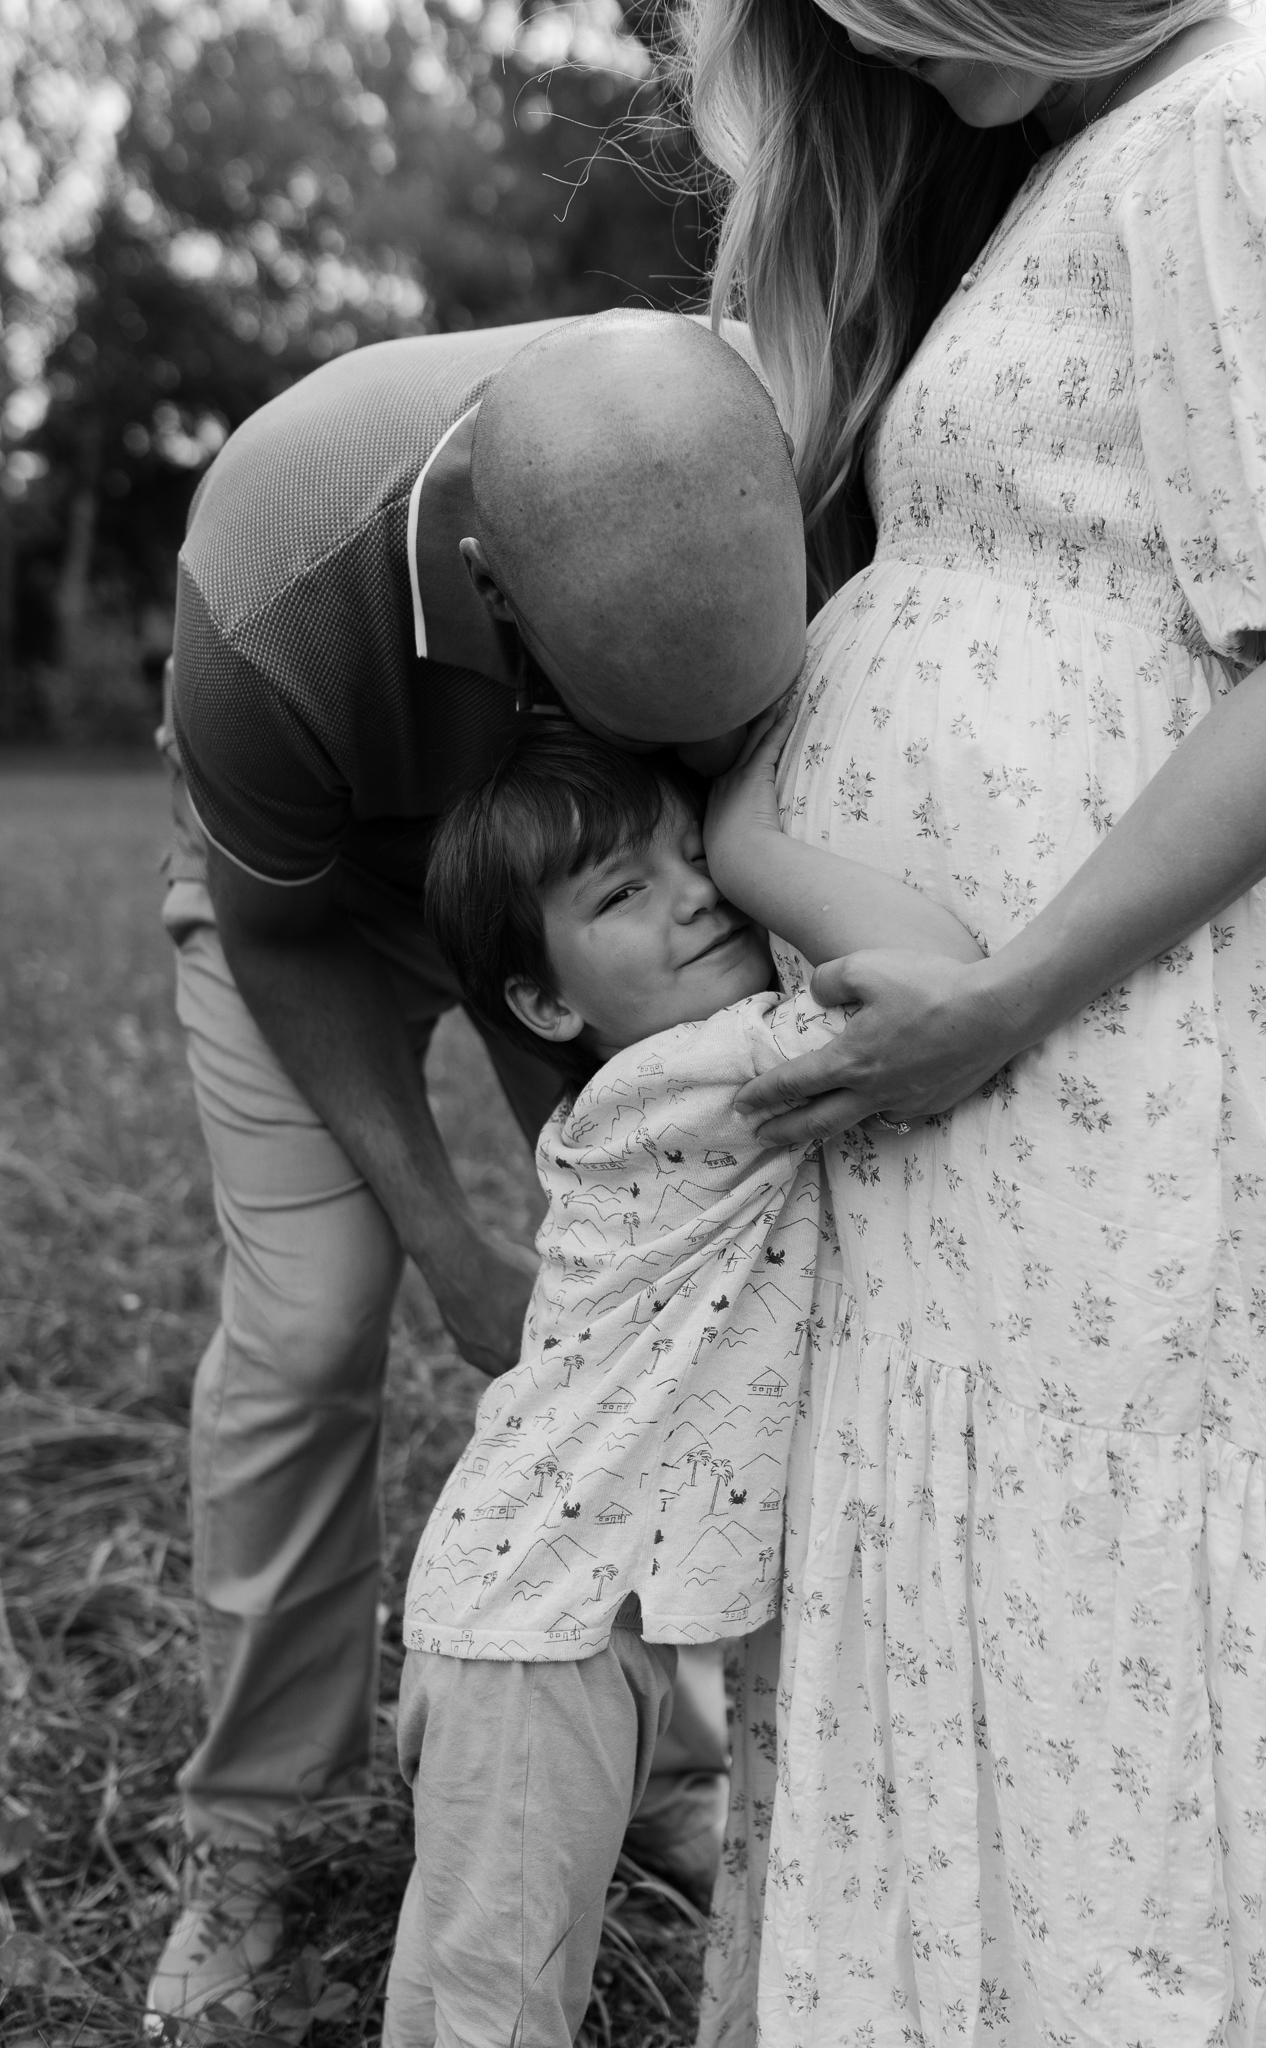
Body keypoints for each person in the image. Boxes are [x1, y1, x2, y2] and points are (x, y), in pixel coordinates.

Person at [684, 3, 1266, 2042]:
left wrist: (1004, 990)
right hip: (984, 1089)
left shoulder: (1256, 110)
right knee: (969, 1615)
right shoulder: (1068, 154)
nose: (867, 52)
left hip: (1106, 1060)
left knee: (1098, 1623)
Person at [146, 310, 810, 2027]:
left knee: (650, 1325)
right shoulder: (271, 588)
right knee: (308, 1327)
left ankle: (651, 1753)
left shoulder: (738, 434)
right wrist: (447, 1236)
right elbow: (276, 933)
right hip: (321, 903)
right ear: (494, 595)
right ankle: (250, 1842)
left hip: (599, 898)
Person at [381, 714, 980, 2048]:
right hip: (539, 1631)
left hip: (574, 1609)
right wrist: (758, 828)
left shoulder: (665, 1076)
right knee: (503, 2003)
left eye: (685, 851)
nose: (699, 890)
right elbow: (933, 982)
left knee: (463, 1982)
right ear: (547, 1006)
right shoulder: (686, 1081)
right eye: (624, 890)